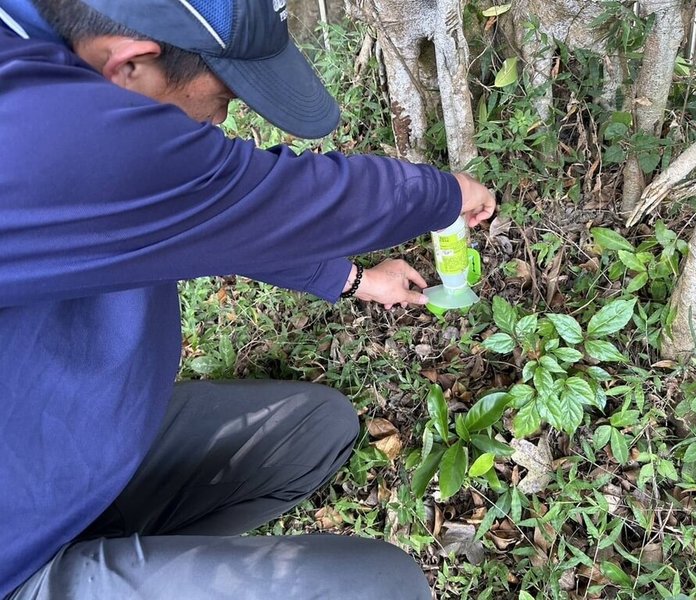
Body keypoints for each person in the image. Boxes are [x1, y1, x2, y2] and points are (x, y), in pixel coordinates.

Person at [0, 0, 495, 598]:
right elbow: (262, 197)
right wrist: (443, 194)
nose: (220, 122)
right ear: (130, 66)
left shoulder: (58, 61)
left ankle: (119, 559)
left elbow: (202, 215)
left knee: (316, 430)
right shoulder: (37, 132)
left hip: (78, 454)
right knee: (380, 586)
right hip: (15, 545)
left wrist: (352, 281)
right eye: (224, 98)